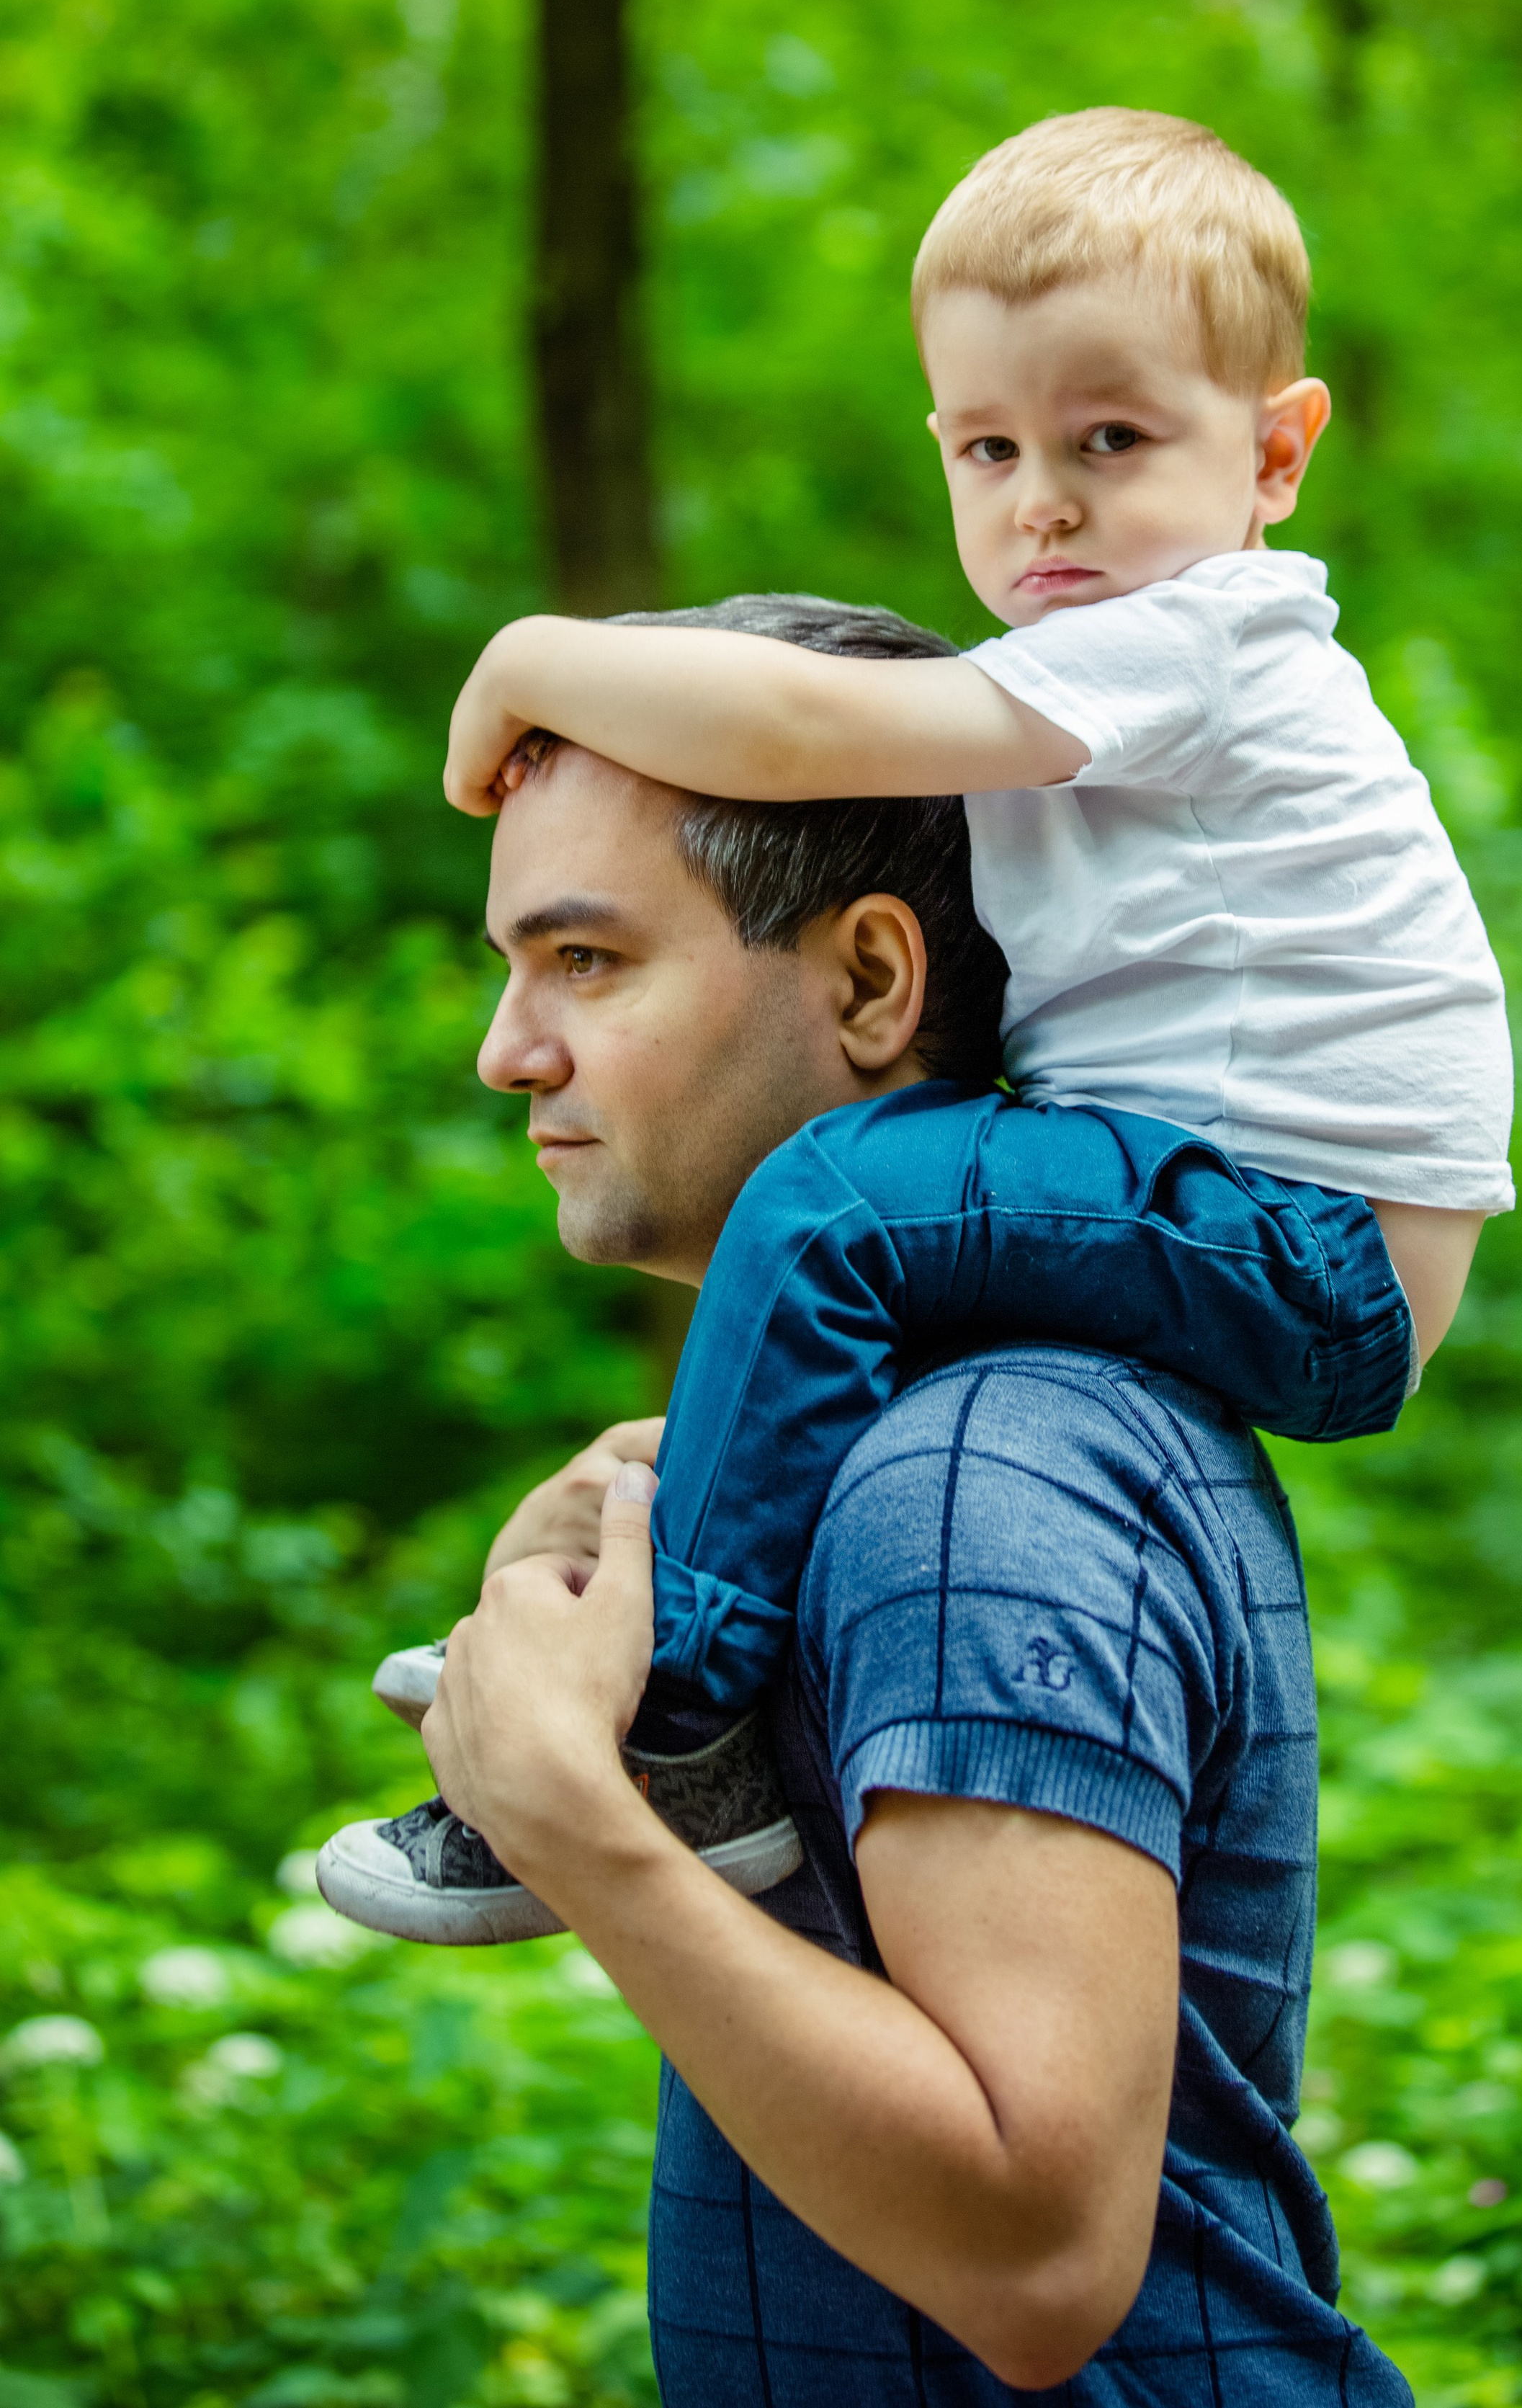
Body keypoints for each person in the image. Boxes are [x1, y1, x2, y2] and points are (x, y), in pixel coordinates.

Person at [322, 106, 1514, 1946]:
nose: (1040, 500)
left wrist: (530, 660)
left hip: (1310, 1239)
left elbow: (801, 741)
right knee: (844, 1278)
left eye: (1108, 440)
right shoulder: (1107, 681)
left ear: (1275, 452)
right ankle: (684, 1603)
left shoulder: (1190, 640)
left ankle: (681, 1733)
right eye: (987, 445)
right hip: (1246, 1210)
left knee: (834, 1196)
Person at [333, 659, 1415, 2399]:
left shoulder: (975, 1471)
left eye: (586, 959)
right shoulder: (910, 1443)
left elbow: (1039, 2257)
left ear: (871, 980)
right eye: (509, 967)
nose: (505, 1048)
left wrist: (577, 1825)